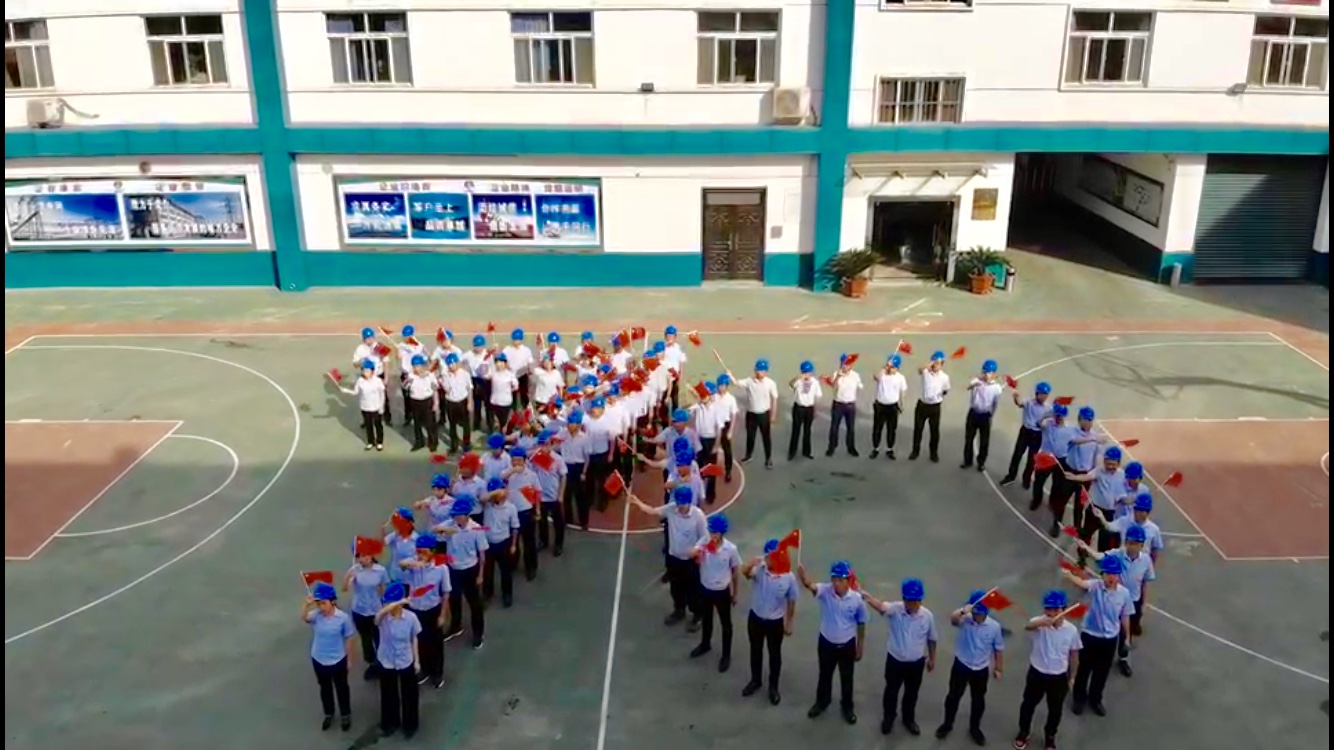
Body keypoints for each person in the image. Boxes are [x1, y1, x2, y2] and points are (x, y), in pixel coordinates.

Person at [1077, 526, 1155, 678]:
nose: (1132, 546)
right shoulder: (1117, 554)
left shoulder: (1146, 560)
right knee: (1110, 625)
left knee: (1127, 630)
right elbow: (1100, 556)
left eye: (1136, 543)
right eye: (1130, 542)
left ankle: (1123, 656)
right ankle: (1102, 653)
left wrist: (1144, 603)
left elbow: (1146, 582)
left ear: (1141, 545)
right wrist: (1086, 548)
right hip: (1115, 598)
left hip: (1133, 600)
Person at [863, 579, 937, 737]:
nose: (914, 604)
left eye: (917, 600)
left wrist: (932, 658)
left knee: (912, 693)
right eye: (911, 601)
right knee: (891, 691)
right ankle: (888, 718)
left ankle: (908, 719)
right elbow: (880, 606)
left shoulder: (927, 616)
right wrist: (866, 596)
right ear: (904, 599)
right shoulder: (895, 610)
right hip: (895, 662)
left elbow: (931, 639)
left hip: (916, 664)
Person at [797, 560, 868, 725]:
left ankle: (847, 707)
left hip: (847, 645)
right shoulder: (825, 591)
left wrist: (860, 646)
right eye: (834, 579)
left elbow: (861, 623)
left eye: (840, 580)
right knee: (825, 675)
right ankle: (822, 701)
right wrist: (803, 577)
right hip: (826, 643)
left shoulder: (857, 599)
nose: (836, 583)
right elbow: (811, 586)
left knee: (847, 678)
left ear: (847, 581)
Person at [1063, 555, 1132, 717]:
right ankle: (1079, 698)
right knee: (1084, 668)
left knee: (1102, 671)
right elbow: (1082, 583)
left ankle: (1095, 699)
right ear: (1102, 574)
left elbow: (1125, 616)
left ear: (1118, 575)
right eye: (1108, 573)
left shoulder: (1124, 594)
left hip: (1109, 638)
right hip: (1090, 635)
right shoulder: (1096, 586)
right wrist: (1069, 575)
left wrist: (1127, 637)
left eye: (1114, 574)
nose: (1111, 577)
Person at [629, 487, 707, 626]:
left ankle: (697, 614)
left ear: (689, 502)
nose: (680, 506)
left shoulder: (698, 516)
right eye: (678, 503)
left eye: (683, 503)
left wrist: (697, 549)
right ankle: (679, 610)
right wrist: (637, 502)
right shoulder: (671, 509)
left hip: (689, 561)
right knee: (676, 587)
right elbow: (653, 511)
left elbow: (705, 537)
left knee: (692, 590)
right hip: (673, 558)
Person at [1013, 590, 1081, 750]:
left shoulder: (1071, 630)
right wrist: (1043, 622)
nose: (1052, 613)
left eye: (1056, 610)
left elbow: (1074, 655)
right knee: (1028, 704)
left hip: (1058, 676)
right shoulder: (1039, 624)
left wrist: (1072, 677)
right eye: (1048, 609)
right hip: (1037, 672)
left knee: (1055, 710)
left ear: (1064, 609)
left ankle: (1050, 736)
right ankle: (1024, 731)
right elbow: (1027, 626)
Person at [936, 590, 1005, 746]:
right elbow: (953, 619)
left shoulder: (994, 627)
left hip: (981, 669)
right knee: (953, 697)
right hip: (962, 664)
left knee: (978, 700)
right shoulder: (965, 620)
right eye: (974, 613)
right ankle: (947, 724)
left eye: (979, 614)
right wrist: (963, 610)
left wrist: (998, 668)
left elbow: (998, 649)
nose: (976, 616)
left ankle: (975, 728)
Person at [741, 538, 798, 705]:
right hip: (756, 618)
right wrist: (751, 563)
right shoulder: (760, 569)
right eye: (768, 557)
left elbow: (791, 600)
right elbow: (745, 574)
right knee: (755, 650)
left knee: (774, 654)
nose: (769, 560)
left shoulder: (788, 577)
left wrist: (789, 622)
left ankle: (773, 687)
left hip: (775, 622)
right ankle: (755, 680)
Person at [691, 513, 742, 672]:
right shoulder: (704, 542)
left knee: (726, 624)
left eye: (715, 532)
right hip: (705, 588)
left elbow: (735, 572)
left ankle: (726, 655)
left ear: (722, 533)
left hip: (722, 591)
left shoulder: (730, 549)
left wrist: (735, 593)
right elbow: (693, 554)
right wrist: (700, 552)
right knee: (707, 619)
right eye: (711, 531)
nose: (712, 535)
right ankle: (705, 644)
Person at [302, 582, 356, 732]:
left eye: (323, 603)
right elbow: (305, 618)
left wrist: (349, 659)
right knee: (324, 688)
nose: (321, 607)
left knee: (342, 688)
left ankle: (345, 715)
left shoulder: (343, 618)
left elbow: (349, 638)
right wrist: (306, 605)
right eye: (318, 604)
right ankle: (329, 713)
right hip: (319, 658)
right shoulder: (316, 615)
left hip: (338, 659)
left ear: (333, 602)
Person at [437, 499, 488, 650]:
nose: (456, 518)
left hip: (470, 569)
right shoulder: (450, 525)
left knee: (474, 604)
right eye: (455, 515)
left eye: (459, 515)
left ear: (467, 515)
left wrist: (480, 575)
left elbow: (482, 553)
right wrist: (444, 530)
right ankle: (455, 626)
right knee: (454, 599)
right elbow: (435, 529)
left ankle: (478, 634)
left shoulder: (476, 529)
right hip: (453, 569)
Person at [402, 535, 450, 689]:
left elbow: (446, 593)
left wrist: (443, 615)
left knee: (436, 642)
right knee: (420, 641)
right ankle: (424, 669)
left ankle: (437, 672)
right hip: (415, 609)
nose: (420, 554)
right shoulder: (413, 564)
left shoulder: (441, 569)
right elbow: (402, 565)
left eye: (424, 551)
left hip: (433, 609)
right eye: (419, 551)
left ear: (432, 551)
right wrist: (415, 564)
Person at [375, 582, 422, 739]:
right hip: (386, 660)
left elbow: (414, 639)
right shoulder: (383, 617)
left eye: (392, 603)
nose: (389, 606)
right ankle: (390, 722)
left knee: (410, 695)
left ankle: (410, 725)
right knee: (388, 694)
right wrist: (397, 602)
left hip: (405, 660)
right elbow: (377, 618)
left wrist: (416, 660)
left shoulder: (411, 618)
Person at [1065, 446, 1126, 564]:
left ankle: (1104, 563)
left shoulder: (1122, 475)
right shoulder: (1098, 471)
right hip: (1094, 510)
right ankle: (1081, 558)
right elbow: (1087, 477)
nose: (1110, 467)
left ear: (1118, 463)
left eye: (1113, 464)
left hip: (1110, 513)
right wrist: (1074, 477)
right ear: (1104, 461)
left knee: (1106, 540)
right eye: (1108, 463)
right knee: (1086, 535)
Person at [1048, 406, 1103, 535]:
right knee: (1061, 501)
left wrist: (1094, 474)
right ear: (1079, 419)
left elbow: (1097, 456)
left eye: (1090, 420)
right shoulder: (1071, 431)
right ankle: (1057, 524)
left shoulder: (1095, 436)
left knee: (1080, 504)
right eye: (1086, 419)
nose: (1088, 422)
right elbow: (1075, 441)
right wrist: (1092, 439)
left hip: (1085, 474)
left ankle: (1077, 529)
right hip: (1071, 471)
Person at [344, 548, 390, 681]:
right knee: (365, 639)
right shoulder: (354, 570)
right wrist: (348, 577)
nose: (362, 559)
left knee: (379, 638)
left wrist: (385, 606)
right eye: (359, 556)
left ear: (371, 556)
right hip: (359, 610)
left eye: (365, 555)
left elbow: (383, 589)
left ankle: (382, 662)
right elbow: (344, 588)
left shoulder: (380, 571)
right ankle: (371, 663)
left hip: (375, 610)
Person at [1000, 381, 1052, 488]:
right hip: (1025, 432)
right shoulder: (1029, 402)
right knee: (1017, 455)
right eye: (1042, 394)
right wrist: (1016, 397)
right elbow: (1019, 403)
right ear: (1037, 393)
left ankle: (1026, 479)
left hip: (1037, 435)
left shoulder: (1049, 408)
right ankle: (1011, 476)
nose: (1044, 397)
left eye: (1046, 394)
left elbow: (1052, 420)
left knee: (1032, 459)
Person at [503, 446, 542, 580]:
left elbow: (537, 492)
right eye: (514, 460)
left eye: (519, 460)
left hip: (526, 511)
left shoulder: (531, 475)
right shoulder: (507, 473)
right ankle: (513, 563)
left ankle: (531, 567)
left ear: (525, 461)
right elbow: (500, 479)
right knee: (511, 541)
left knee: (529, 541)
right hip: (510, 512)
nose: (517, 463)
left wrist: (537, 509)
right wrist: (512, 471)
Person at [733, 359, 780, 469]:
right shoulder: (749, 381)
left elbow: (774, 399)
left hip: (764, 415)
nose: (758, 372)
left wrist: (773, 416)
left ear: (766, 372)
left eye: (761, 370)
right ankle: (748, 456)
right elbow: (736, 383)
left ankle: (768, 458)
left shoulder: (771, 383)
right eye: (757, 370)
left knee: (766, 437)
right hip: (751, 415)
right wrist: (730, 375)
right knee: (750, 437)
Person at [1030, 403, 1073, 516]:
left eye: (1060, 416)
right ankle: (1036, 500)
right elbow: (1038, 423)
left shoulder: (1070, 430)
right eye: (1056, 415)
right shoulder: (1048, 424)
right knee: (1038, 481)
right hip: (1046, 457)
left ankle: (1053, 502)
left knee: (1057, 484)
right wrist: (1046, 415)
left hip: (1060, 459)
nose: (1058, 418)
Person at [962, 359, 1004, 472]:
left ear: (994, 374)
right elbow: (967, 387)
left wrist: (991, 415)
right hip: (974, 413)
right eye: (985, 372)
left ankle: (981, 462)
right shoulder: (977, 381)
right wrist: (974, 384)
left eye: (989, 373)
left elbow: (995, 403)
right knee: (969, 438)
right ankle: (967, 460)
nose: (986, 375)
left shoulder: (997, 388)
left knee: (984, 441)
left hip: (985, 415)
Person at [481, 485, 520, 607]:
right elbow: (482, 498)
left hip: (503, 543)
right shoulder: (487, 505)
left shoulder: (511, 508)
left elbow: (515, 528)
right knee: (488, 571)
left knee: (506, 571)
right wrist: (495, 492)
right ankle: (487, 593)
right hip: (488, 543)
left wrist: (513, 545)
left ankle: (507, 594)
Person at [532, 429, 568, 554]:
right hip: (540, 496)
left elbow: (563, 476)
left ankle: (558, 544)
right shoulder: (535, 458)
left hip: (554, 496)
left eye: (546, 444)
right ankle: (543, 541)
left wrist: (561, 494)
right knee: (542, 521)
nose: (544, 447)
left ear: (550, 444)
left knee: (558, 522)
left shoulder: (557, 459)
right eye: (541, 444)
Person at [910, 351, 951, 462]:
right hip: (922, 405)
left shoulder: (945, 377)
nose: (935, 365)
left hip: (935, 407)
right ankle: (915, 451)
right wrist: (929, 364)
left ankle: (933, 453)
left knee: (934, 431)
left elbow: (946, 389)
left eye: (938, 363)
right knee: (918, 429)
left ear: (942, 364)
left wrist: (939, 396)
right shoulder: (925, 372)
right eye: (934, 363)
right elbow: (919, 369)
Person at [1103, 492, 1164, 564]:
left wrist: (1151, 566)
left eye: (1140, 510)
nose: (1136, 512)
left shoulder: (1154, 529)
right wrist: (1101, 518)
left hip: (1141, 564)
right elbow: (1108, 527)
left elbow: (1154, 551)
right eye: (1136, 509)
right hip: (1123, 561)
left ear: (1147, 512)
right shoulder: (1125, 521)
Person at [341, 359, 387, 451]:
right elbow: (355, 392)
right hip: (365, 407)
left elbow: (382, 394)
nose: (365, 373)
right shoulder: (360, 381)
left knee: (378, 425)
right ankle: (370, 442)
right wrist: (345, 391)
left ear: (372, 371)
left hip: (376, 407)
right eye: (363, 371)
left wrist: (381, 407)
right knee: (368, 426)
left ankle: (379, 442)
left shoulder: (378, 381)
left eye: (367, 371)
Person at [559, 410, 593, 529]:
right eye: (568, 423)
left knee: (581, 496)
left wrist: (584, 472)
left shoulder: (584, 438)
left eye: (572, 424)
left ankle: (584, 521)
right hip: (566, 466)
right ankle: (568, 519)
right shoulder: (563, 434)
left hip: (579, 467)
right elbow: (553, 440)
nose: (569, 426)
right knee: (566, 494)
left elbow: (587, 458)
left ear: (578, 425)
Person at [870, 354, 908, 459]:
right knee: (877, 428)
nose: (891, 369)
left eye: (893, 367)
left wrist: (902, 404)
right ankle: (875, 448)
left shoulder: (900, 378)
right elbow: (875, 377)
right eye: (890, 366)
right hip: (880, 405)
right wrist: (884, 368)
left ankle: (889, 449)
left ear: (898, 368)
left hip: (892, 406)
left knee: (891, 429)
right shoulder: (882, 375)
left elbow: (903, 391)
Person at [352, 327, 392, 425]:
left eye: (371, 338)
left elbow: (386, 362)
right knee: (365, 397)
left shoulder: (379, 347)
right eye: (367, 338)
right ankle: (366, 420)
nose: (369, 340)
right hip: (366, 376)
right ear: (363, 339)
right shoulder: (360, 349)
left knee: (383, 396)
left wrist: (386, 377)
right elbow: (355, 364)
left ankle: (386, 417)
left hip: (378, 375)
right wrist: (360, 362)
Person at [826, 353, 863, 457]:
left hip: (850, 405)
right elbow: (833, 386)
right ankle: (832, 447)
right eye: (844, 364)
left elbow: (860, 386)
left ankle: (851, 447)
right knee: (834, 427)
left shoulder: (855, 375)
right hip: (838, 404)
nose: (846, 366)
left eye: (848, 364)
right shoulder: (836, 374)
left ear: (851, 365)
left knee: (851, 428)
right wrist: (838, 377)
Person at [403, 354, 440, 452]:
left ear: (423, 366)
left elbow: (435, 390)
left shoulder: (430, 376)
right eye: (414, 366)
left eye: (418, 366)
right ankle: (419, 442)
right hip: (415, 401)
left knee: (430, 424)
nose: (417, 368)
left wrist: (436, 403)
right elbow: (405, 387)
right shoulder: (411, 376)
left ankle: (433, 442)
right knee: (417, 424)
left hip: (427, 401)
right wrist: (407, 381)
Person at [438, 353, 473, 454]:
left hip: (462, 401)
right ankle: (454, 445)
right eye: (449, 364)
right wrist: (442, 381)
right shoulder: (445, 376)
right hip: (451, 402)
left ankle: (466, 444)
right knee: (452, 425)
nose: (451, 366)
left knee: (466, 424)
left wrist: (470, 402)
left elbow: (469, 388)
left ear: (457, 363)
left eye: (453, 364)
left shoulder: (465, 374)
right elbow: (447, 390)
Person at [788, 361, 822, 461]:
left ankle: (807, 452)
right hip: (798, 408)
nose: (807, 374)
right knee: (796, 431)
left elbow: (817, 397)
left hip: (809, 408)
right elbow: (790, 384)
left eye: (809, 372)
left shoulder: (815, 382)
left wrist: (816, 410)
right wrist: (798, 377)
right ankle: (792, 452)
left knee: (807, 431)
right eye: (805, 372)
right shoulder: (798, 381)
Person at [462, 335, 494, 433]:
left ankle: (490, 425)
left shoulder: (488, 355)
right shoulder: (469, 354)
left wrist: (491, 377)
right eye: (476, 346)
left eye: (480, 346)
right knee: (477, 405)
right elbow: (459, 359)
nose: (478, 348)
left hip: (486, 382)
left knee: (489, 406)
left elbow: (492, 367)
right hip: (475, 381)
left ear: (483, 346)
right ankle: (476, 424)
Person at [501, 328, 535, 411]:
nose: (516, 341)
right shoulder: (507, 350)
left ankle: (526, 410)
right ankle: (513, 411)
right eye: (514, 340)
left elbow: (530, 362)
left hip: (522, 376)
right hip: (511, 376)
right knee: (512, 395)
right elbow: (503, 362)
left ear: (521, 340)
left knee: (524, 394)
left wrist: (530, 370)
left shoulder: (526, 350)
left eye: (517, 340)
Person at [715, 374, 740, 481]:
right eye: (719, 385)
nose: (720, 388)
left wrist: (730, 431)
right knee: (712, 448)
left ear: (726, 386)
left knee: (727, 450)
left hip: (725, 426)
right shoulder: (714, 396)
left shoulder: (731, 399)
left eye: (722, 385)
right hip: (714, 425)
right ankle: (711, 469)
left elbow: (734, 415)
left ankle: (728, 470)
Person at [488, 353, 521, 433]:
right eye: (497, 362)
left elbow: (516, 386)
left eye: (501, 362)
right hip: (494, 401)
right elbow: (485, 372)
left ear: (505, 364)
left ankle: (506, 436)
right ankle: (497, 436)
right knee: (496, 422)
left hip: (505, 402)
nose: (499, 364)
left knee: (504, 423)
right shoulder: (493, 373)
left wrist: (508, 391)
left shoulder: (510, 375)